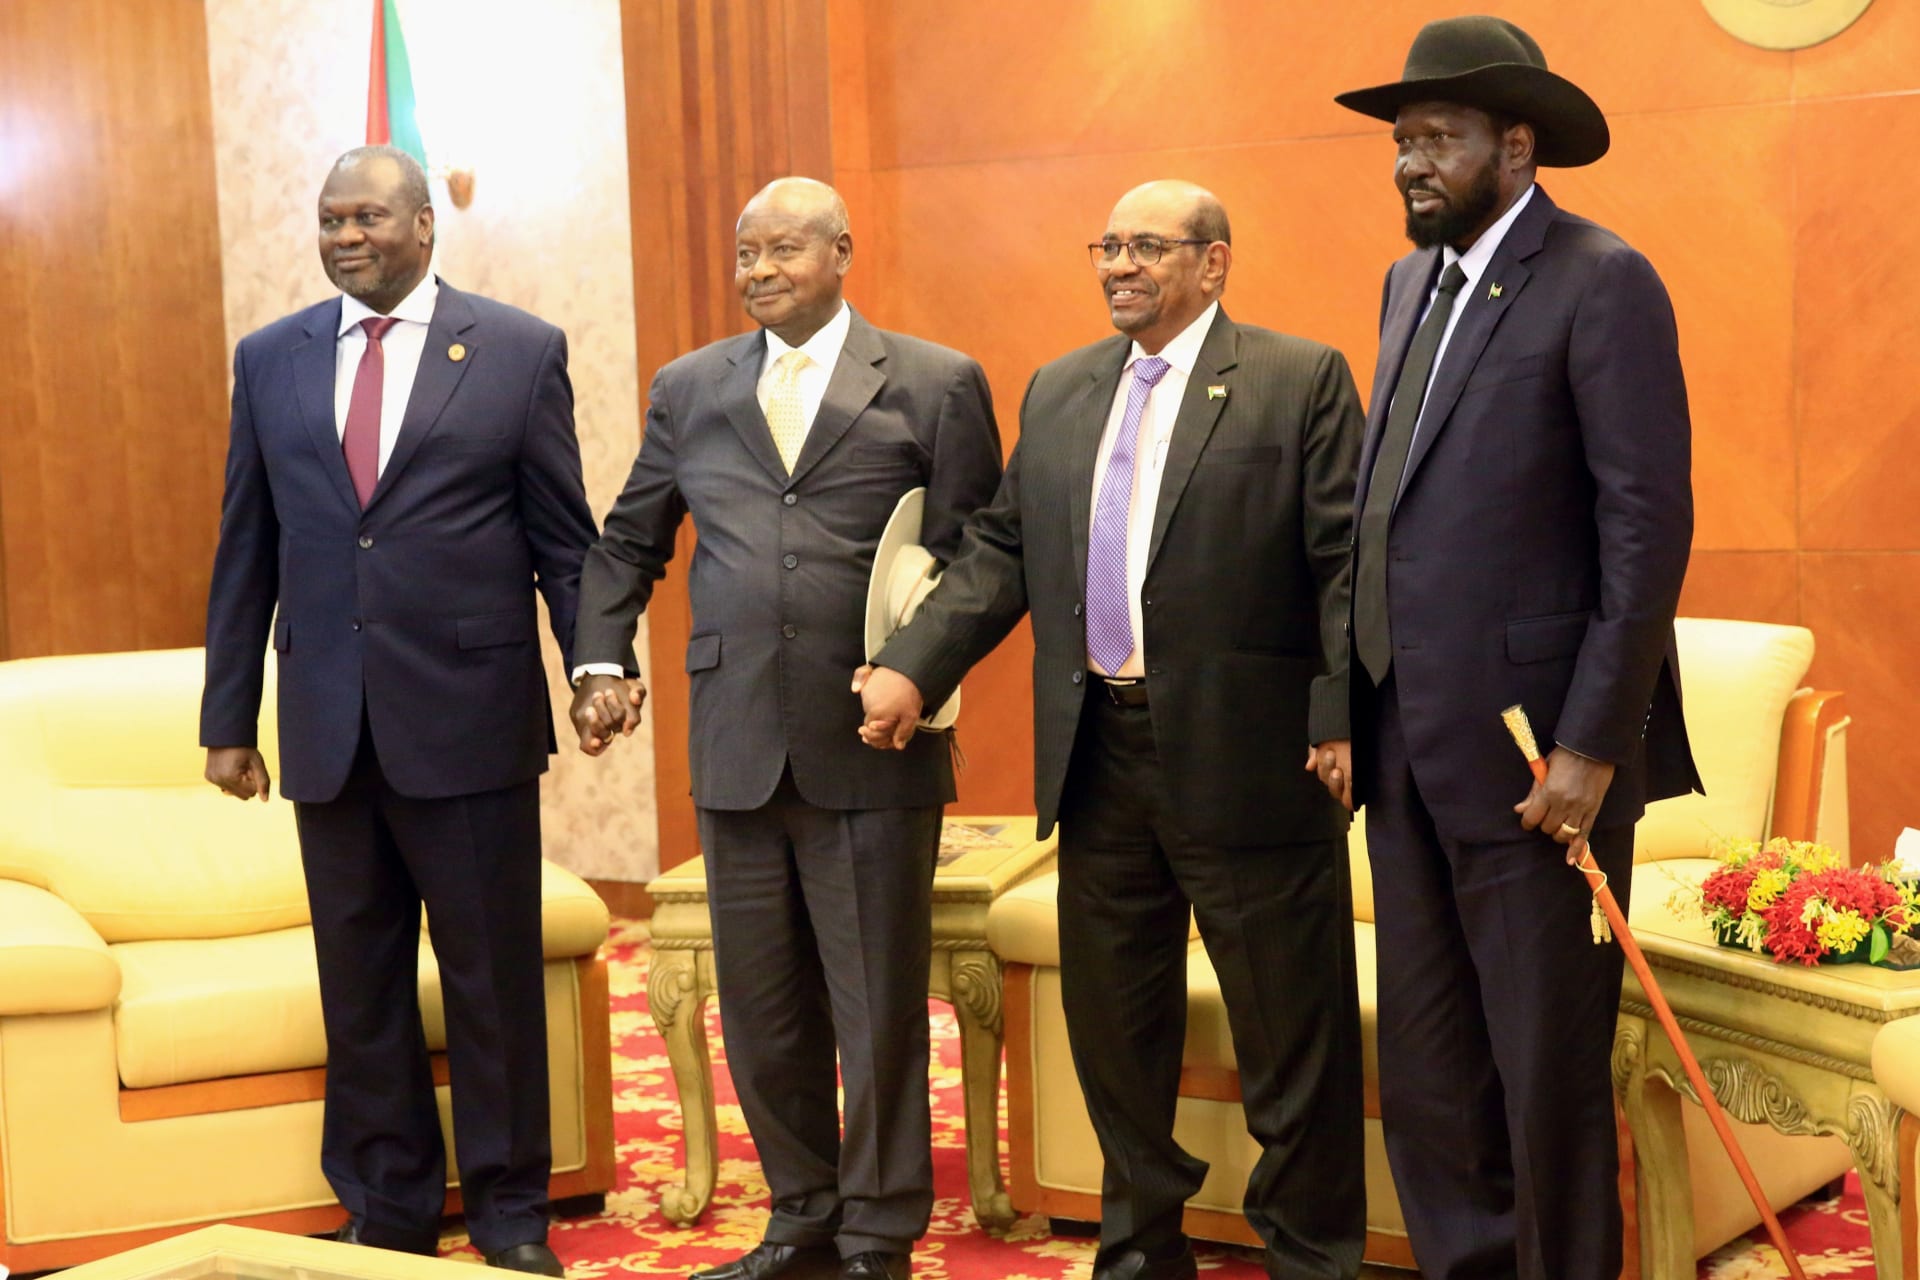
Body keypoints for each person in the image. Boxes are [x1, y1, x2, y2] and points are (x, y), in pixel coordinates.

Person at [855, 180, 1366, 1280]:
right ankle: (1141, 1250)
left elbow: (1344, 564)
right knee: (1118, 1034)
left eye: (1147, 246)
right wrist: (910, 663)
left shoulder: (1296, 378)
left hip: (1253, 758)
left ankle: (1311, 1255)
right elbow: (998, 551)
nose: (1119, 264)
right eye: (1108, 244)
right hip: (1101, 757)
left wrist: (1343, 715)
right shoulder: (1062, 390)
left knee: (1294, 1037)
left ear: (1215, 262)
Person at [568, 178, 1002, 1280]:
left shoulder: (936, 382)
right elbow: (627, 543)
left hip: (876, 739)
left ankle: (876, 1233)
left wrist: (914, 668)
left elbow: (985, 559)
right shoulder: (689, 386)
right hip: (737, 735)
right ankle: (802, 1218)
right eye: (743, 252)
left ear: (843, 249)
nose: (757, 269)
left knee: (877, 1007)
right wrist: (601, 659)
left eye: (782, 249)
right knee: (764, 1010)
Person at [1332, 17, 1701, 1279]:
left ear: (1518, 143)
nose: (1409, 164)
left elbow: (1645, 530)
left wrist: (1595, 743)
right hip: (1406, 753)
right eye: (1401, 142)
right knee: (1433, 1075)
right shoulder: (1405, 285)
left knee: (1542, 1076)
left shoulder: (1602, 277)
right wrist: (1345, 706)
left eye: (1436, 140)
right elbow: (1381, 516)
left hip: (1537, 761)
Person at [200, 145, 593, 1276]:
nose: (345, 235)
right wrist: (230, 717)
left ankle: (513, 1210)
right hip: (328, 720)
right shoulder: (270, 358)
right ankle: (390, 1206)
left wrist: (595, 663)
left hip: (467, 718)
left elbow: (563, 540)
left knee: (489, 977)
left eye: (368, 214)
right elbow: (247, 548)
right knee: (359, 979)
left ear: (426, 224)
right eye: (330, 219)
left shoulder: (516, 350)